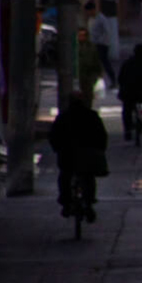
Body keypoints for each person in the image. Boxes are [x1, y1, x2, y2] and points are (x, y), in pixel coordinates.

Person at [49, 91, 109, 223]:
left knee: (65, 176)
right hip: (88, 154)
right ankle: (89, 202)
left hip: (68, 155)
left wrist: (57, 149)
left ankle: (66, 203)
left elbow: (54, 136)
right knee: (88, 177)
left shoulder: (63, 117)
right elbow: (102, 135)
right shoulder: (92, 116)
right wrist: (100, 150)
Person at [85, 1, 117, 89]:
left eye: (89, 11)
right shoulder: (91, 19)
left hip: (102, 45)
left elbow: (107, 32)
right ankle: (94, 82)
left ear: (93, 10)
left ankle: (113, 81)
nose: (88, 13)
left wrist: (101, 41)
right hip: (93, 44)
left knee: (104, 63)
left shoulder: (101, 18)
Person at [76, 27, 103, 108]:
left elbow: (96, 60)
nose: (81, 37)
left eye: (83, 35)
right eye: (80, 35)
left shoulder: (91, 47)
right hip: (79, 74)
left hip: (89, 74)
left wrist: (99, 73)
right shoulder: (75, 46)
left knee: (88, 95)